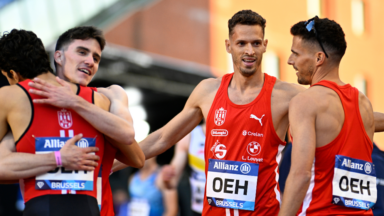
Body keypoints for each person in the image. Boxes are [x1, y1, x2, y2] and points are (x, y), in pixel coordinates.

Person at [133, 10, 306, 216]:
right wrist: (108, 164)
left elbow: (318, 146)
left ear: (265, 45)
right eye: (241, 43)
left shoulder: (288, 96)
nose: (250, 51)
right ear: (228, 46)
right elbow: (162, 138)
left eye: (256, 43)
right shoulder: (208, 91)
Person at [0, 26, 145, 215]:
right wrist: (59, 158)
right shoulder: (99, 101)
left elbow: (135, 153)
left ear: (12, 74)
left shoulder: (102, 98)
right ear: (57, 57)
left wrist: (74, 102)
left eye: (96, 58)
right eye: (82, 52)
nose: (90, 61)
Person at [279, 17, 376, 215]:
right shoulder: (363, 103)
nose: (290, 61)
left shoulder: (305, 102)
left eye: (295, 54)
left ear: (318, 59)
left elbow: (301, 175)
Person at [161, 123, 206, 216]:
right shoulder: (190, 135)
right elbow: (172, 183)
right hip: (198, 209)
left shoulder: (236, 133)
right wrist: (167, 176)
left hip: (227, 209)